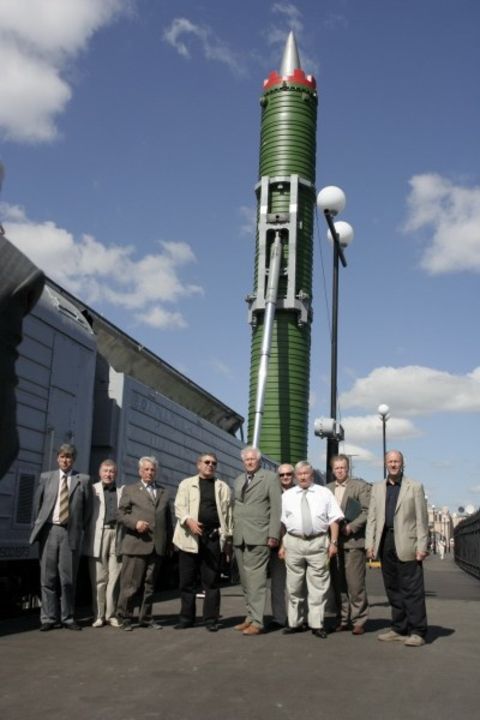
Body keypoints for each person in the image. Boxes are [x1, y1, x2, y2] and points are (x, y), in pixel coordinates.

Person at [366, 450, 429, 647]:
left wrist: (422, 546)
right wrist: (370, 544)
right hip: (385, 542)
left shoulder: (414, 487)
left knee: (412, 588)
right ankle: (399, 628)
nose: (393, 464)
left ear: (402, 463)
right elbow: (372, 518)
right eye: (390, 461)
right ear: (385, 464)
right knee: (392, 587)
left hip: (408, 543)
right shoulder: (377, 487)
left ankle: (417, 630)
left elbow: (422, 519)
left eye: (397, 461)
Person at [29, 443, 92, 631]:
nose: (66, 460)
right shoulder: (46, 478)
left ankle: (68, 617)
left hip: (69, 532)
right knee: (47, 578)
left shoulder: (83, 480)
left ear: (73, 460)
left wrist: (79, 528)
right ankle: (48, 618)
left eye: (69, 457)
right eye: (63, 457)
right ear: (57, 458)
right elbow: (37, 506)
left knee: (67, 579)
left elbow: (87, 510)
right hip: (49, 531)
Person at [279, 461, 343, 638]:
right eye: (299, 474)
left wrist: (334, 543)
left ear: (312, 475)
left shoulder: (324, 493)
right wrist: (283, 545)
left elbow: (334, 520)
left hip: (317, 542)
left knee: (318, 587)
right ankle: (295, 622)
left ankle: (316, 624)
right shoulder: (287, 496)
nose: (303, 477)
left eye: (306, 473)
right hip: (294, 542)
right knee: (293, 586)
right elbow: (284, 523)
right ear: (295, 476)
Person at [173, 452, 233, 631]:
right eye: (207, 462)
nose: (210, 465)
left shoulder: (222, 487)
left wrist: (228, 539)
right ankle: (186, 618)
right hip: (188, 537)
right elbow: (179, 506)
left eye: (214, 463)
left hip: (212, 539)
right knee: (187, 581)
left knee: (212, 581)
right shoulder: (186, 484)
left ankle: (211, 619)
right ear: (198, 464)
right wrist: (188, 520)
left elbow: (228, 515)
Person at [116, 456, 172, 631]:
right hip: (136, 544)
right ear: (140, 471)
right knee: (130, 585)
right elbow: (120, 515)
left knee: (150, 585)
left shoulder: (164, 492)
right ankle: (124, 617)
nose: (149, 472)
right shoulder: (130, 490)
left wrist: (169, 543)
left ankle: (146, 618)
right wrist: (135, 523)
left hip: (157, 546)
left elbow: (168, 520)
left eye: (152, 469)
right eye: (146, 469)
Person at [232, 446, 282, 635]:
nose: (250, 462)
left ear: (259, 460)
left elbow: (276, 508)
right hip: (240, 536)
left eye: (253, 459)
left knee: (256, 580)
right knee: (245, 581)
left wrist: (273, 535)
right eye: (247, 459)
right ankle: (250, 616)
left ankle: (258, 622)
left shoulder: (269, 478)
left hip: (259, 536)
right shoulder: (238, 480)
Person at [327, 454, 371, 635]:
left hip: (353, 541)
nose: (339, 471)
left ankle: (359, 620)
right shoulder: (327, 489)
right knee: (338, 585)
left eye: (343, 467)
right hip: (333, 543)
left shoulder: (359, 487)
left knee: (355, 584)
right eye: (336, 468)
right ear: (332, 470)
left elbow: (367, 511)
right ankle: (342, 618)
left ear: (348, 468)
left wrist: (352, 527)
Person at [83, 459, 123, 628]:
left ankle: (111, 615)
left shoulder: (122, 491)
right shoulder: (92, 490)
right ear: (100, 473)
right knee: (99, 578)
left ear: (116, 474)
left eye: (111, 471)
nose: (108, 474)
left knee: (115, 577)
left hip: (117, 534)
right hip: (99, 535)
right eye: (105, 471)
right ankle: (98, 615)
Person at [268, 463, 295, 629]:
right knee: (277, 584)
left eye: (288, 474)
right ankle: (279, 618)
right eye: (282, 475)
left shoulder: (302, 492)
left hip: (296, 543)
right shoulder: (272, 493)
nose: (285, 477)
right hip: (277, 544)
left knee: (297, 585)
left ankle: (297, 618)